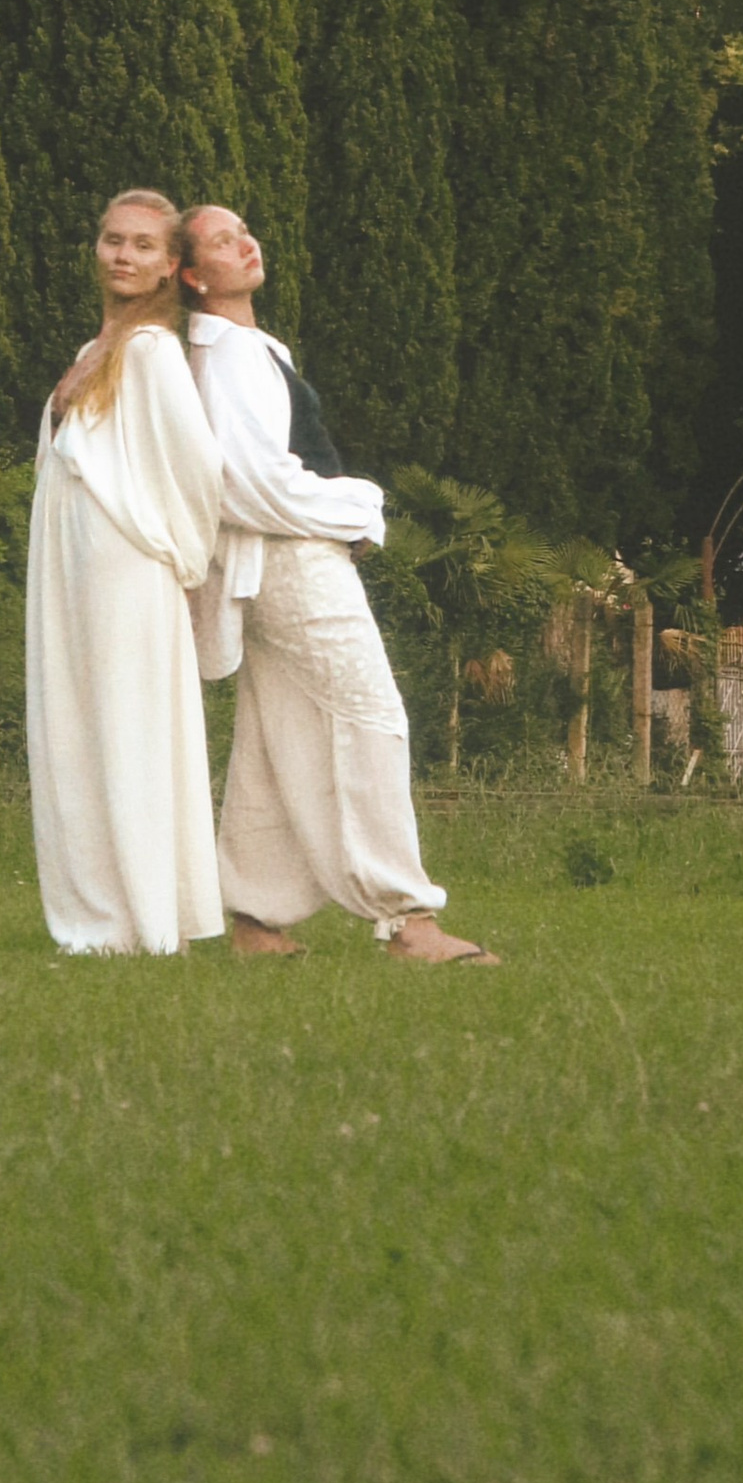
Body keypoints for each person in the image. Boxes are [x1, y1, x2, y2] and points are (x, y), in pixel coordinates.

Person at [180, 203, 496, 965]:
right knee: (370, 719)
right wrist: (358, 508)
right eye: (222, 241)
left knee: (275, 732)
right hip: (291, 563)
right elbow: (247, 485)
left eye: (244, 231)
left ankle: (256, 919)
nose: (246, 244)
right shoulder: (227, 357)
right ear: (192, 276)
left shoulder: (249, 350)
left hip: (283, 560)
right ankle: (407, 920)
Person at [25, 189, 226, 955]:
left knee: (126, 727)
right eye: (113, 239)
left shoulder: (151, 351)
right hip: (70, 565)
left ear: (170, 265)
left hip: (125, 567)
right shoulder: (93, 351)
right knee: (74, 729)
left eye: (143, 245)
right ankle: (97, 916)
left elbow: (199, 466)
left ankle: (142, 916)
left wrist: (176, 553)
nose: (123, 255)